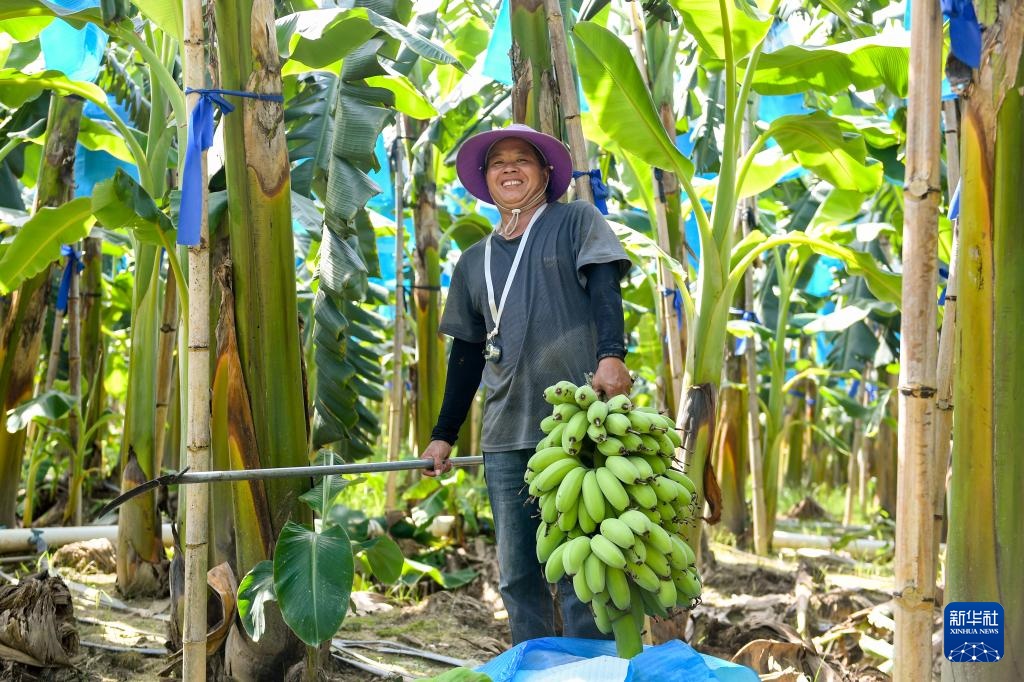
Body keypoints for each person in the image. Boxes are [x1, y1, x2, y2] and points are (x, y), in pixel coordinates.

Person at [420, 123, 632, 644]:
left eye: (522, 160)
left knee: (585, 568)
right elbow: (466, 356)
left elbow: (605, 284)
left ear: (544, 172)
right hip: (504, 434)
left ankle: (591, 671)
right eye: (498, 163)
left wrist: (611, 355)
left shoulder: (575, 220)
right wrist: (443, 434)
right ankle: (534, 666)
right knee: (518, 574)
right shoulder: (473, 261)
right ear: (486, 179)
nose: (509, 169)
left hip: (577, 426)